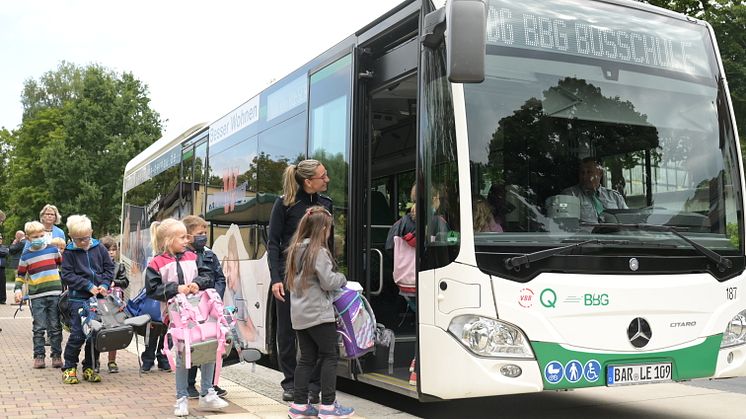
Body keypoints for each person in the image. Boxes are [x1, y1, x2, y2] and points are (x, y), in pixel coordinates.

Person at [144, 218, 228, 417]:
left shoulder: (192, 256)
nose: (187, 240)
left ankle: (207, 392)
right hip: (176, 317)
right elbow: (152, 289)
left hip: (200, 311)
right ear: (168, 239)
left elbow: (208, 275)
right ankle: (181, 398)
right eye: (182, 237)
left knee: (208, 346)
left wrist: (198, 283)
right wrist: (175, 289)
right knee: (182, 355)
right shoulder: (156, 263)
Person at [267, 159, 332, 402]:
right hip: (288, 276)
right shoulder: (284, 204)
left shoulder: (326, 204)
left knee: (316, 330)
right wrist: (276, 279)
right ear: (308, 181)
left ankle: (313, 385)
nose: (327, 180)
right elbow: (273, 243)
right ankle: (291, 383)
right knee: (286, 331)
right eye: (322, 176)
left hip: (316, 277)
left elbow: (329, 243)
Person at [286, 206, 354, 419]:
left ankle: (299, 406)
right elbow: (328, 282)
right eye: (329, 228)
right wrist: (342, 278)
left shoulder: (294, 250)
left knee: (306, 359)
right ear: (322, 228)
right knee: (329, 356)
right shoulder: (319, 252)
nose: (330, 232)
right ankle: (328, 406)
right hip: (318, 314)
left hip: (299, 315)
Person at [60, 215, 114, 384]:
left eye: (86, 238)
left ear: (91, 232)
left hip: (98, 299)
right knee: (78, 334)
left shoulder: (100, 248)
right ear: (70, 236)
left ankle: (90, 366)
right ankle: (69, 367)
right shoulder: (69, 252)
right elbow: (67, 275)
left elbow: (109, 268)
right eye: (78, 239)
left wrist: (105, 284)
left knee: (95, 334)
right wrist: (86, 285)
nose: (83, 242)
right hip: (78, 299)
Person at [181, 215, 228, 399]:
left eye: (205, 233)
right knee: (192, 344)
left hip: (210, 307)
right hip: (191, 308)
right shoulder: (183, 255)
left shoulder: (210, 254)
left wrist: (215, 297)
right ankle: (189, 384)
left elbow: (219, 278)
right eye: (200, 233)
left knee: (212, 345)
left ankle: (210, 384)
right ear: (188, 235)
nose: (204, 236)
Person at [14, 221, 64, 368]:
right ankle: (39, 356)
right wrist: (18, 289)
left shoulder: (53, 250)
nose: (39, 238)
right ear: (28, 238)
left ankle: (56, 355)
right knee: (39, 327)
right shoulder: (26, 256)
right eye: (35, 236)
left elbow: (61, 265)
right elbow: (21, 275)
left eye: (42, 235)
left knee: (55, 327)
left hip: (54, 293)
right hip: (37, 296)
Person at [140, 222, 172, 373]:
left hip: (167, 294)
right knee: (156, 327)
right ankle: (152, 357)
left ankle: (158, 358)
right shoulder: (151, 250)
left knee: (164, 327)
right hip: (157, 294)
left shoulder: (173, 253)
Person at [561, 157, 627, 224]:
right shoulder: (570, 195)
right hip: (586, 234)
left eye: (589, 172)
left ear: (600, 173)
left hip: (617, 234)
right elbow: (566, 225)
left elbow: (628, 220)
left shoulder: (615, 196)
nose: (584, 176)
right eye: (582, 173)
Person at [99, 235, 129, 373]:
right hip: (99, 302)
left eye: (113, 250)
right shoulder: (96, 266)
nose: (111, 252)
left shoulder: (119, 266)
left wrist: (115, 283)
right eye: (107, 250)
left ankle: (112, 361)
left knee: (114, 329)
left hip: (115, 303)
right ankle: (95, 360)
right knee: (99, 329)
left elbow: (125, 282)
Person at [0, 233, 7, 304]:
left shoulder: (3, 247)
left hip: (1, 268)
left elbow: (4, 253)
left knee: (2, 284)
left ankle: (2, 299)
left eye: (1, 239)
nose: (0, 240)